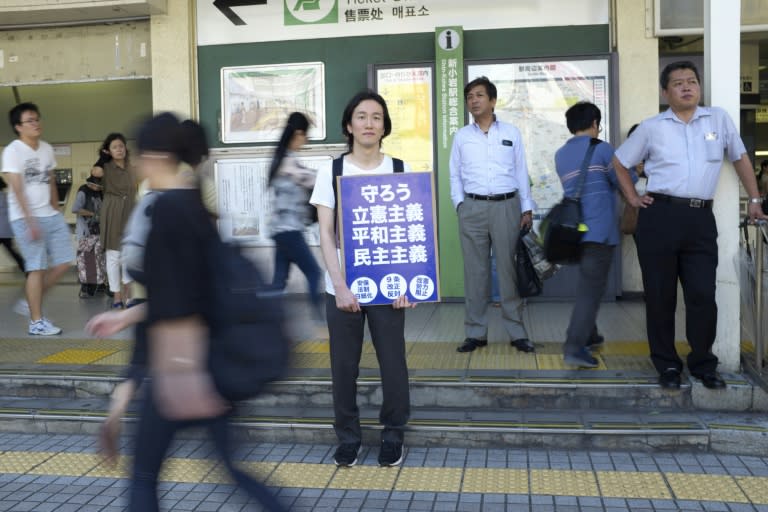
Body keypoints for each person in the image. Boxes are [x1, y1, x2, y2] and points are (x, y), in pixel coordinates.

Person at [88, 113, 286, 512]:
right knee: (232, 469)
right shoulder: (193, 202)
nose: (139, 163)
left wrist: (177, 375)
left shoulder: (165, 210)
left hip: (180, 371)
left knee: (143, 477)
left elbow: (177, 304)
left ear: (156, 156)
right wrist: (127, 317)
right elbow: (181, 291)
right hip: (211, 364)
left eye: (142, 154)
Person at [613, 60, 767, 390]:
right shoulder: (652, 127)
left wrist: (754, 200)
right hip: (659, 217)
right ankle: (667, 365)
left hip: (699, 219)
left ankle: (702, 363)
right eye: (678, 82)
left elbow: (739, 157)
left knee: (701, 293)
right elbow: (618, 162)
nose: (687, 87)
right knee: (660, 295)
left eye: (692, 81)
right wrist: (633, 198)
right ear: (665, 91)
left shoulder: (718, 119)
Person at [310, 90, 414, 468]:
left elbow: (410, 231)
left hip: (388, 289)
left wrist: (409, 284)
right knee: (343, 366)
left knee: (393, 363)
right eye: (362, 116)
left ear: (385, 126)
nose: (369, 123)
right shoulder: (333, 171)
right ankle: (348, 437)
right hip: (341, 288)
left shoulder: (400, 169)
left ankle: (392, 434)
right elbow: (325, 232)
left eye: (376, 117)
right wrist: (338, 285)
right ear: (348, 125)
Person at [449, 76, 536, 354]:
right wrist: (460, 205)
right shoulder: (462, 136)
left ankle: (516, 332)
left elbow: (521, 170)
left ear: (493, 101)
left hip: (506, 206)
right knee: (475, 273)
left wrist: (526, 206)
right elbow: (455, 174)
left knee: (508, 270)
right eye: (469, 97)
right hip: (472, 209)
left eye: (479, 95)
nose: (473, 101)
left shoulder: (511, 132)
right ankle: (476, 333)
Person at [555, 102, 626, 368]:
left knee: (588, 285)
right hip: (599, 230)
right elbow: (622, 179)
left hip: (575, 232)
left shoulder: (561, 154)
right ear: (595, 123)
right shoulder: (602, 149)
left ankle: (591, 334)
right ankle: (574, 347)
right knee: (590, 291)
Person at [3, 102, 74, 335]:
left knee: (64, 261)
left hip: (50, 214)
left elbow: (51, 179)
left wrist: (56, 209)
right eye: (30, 121)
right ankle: (36, 322)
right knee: (37, 267)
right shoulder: (13, 150)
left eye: (37, 119)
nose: (36, 123)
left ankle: (30, 300)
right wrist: (30, 222)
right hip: (25, 217)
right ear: (18, 127)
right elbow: (17, 189)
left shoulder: (46, 148)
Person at [268, 112, 322, 314]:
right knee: (314, 273)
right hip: (289, 231)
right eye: (306, 136)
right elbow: (312, 179)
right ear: (298, 133)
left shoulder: (280, 158)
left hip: (280, 231)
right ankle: (320, 323)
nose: (306, 141)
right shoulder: (288, 162)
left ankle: (263, 322)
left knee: (278, 284)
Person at [91, 133, 136, 309]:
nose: (119, 149)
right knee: (113, 255)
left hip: (131, 210)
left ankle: (129, 294)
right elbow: (95, 172)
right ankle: (117, 295)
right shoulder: (105, 167)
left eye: (121, 146)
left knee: (129, 254)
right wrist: (103, 157)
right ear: (108, 150)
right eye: (115, 147)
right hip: (113, 211)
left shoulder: (132, 167)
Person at [72, 175, 106, 298]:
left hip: (98, 231)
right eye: (97, 186)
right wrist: (93, 214)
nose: (98, 189)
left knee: (99, 259)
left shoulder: (99, 193)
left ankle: (100, 285)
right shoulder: (83, 192)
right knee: (85, 260)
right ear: (91, 184)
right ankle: (86, 288)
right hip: (86, 231)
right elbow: (75, 209)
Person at [0, 176, 25, 274]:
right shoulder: (6, 196)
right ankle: (25, 268)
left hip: (1, 231)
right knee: (12, 252)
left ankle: (25, 267)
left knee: (12, 251)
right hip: (6, 231)